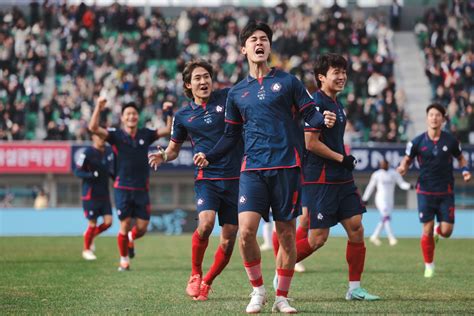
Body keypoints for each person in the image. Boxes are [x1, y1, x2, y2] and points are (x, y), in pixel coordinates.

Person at [193, 21, 336, 313]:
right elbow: (231, 135)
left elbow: (311, 113)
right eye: (253, 40)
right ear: (244, 49)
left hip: (286, 166)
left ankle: (282, 296)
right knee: (245, 231)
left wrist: (324, 121)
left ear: (269, 47)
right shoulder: (236, 93)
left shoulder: (289, 82)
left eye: (264, 39)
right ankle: (258, 291)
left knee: (286, 235)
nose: (259, 44)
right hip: (252, 169)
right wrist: (210, 154)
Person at [148, 60, 242, 301]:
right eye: (198, 78)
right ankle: (195, 274)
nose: (204, 81)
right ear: (189, 85)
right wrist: (164, 156)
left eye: (207, 76)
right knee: (206, 223)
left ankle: (208, 282)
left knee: (229, 235)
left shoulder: (228, 97)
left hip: (236, 179)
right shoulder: (183, 116)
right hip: (207, 178)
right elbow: (173, 150)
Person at [294, 53, 380, 301]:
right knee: (318, 238)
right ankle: (282, 268)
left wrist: (342, 161)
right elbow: (311, 143)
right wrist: (342, 158)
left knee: (356, 228)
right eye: (336, 72)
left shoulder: (336, 104)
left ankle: (354, 289)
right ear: (322, 77)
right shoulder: (316, 104)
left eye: (344, 72)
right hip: (321, 178)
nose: (342, 77)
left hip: (341, 177)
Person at [89, 97, 172, 271]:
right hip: (122, 187)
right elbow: (93, 128)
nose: (131, 116)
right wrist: (98, 106)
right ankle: (124, 259)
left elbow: (167, 130)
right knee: (124, 224)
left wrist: (168, 112)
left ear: (138, 117)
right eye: (128, 114)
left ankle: (131, 238)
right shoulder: (115, 135)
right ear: (122, 117)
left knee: (141, 228)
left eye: (134, 113)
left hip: (142, 188)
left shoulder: (145, 134)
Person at [397, 103, 471, 278]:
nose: (434, 118)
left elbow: (461, 159)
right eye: (431, 114)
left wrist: (466, 170)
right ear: (427, 118)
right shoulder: (417, 142)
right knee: (427, 230)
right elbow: (407, 160)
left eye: (438, 115)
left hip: (446, 191)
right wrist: (402, 168)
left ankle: (439, 231)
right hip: (425, 191)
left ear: (443, 119)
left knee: (446, 231)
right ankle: (429, 265)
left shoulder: (451, 141)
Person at [74, 133, 114, 260]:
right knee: (93, 222)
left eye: (103, 137)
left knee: (108, 223)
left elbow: (111, 170)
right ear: (93, 138)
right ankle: (86, 250)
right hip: (91, 194)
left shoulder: (109, 151)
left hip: (105, 193)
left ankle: (89, 236)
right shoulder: (87, 153)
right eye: (99, 136)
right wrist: (91, 175)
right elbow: (77, 171)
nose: (102, 139)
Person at [362, 159, 412, 246]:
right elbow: (370, 186)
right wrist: (365, 198)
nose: (382, 165)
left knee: (385, 218)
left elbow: (401, 184)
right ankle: (391, 238)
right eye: (381, 164)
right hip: (380, 199)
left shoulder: (394, 173)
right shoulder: (377, 174)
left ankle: (374, 236)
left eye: (384, 164)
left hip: (390, 200)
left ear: (388, 164)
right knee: (386, 216)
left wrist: (409, 186)